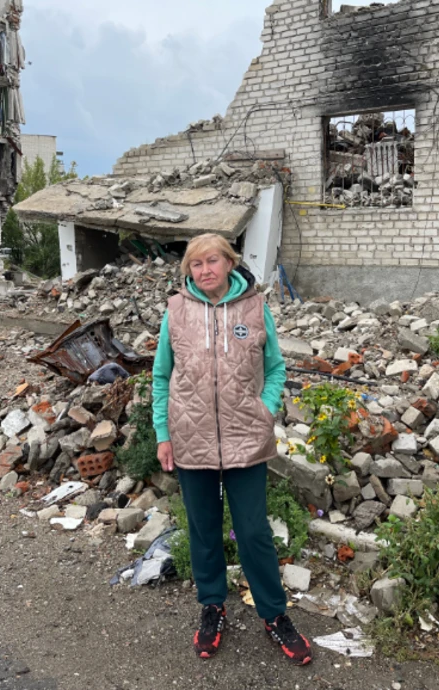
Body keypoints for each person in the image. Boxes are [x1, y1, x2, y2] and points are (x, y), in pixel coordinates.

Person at [152, 232, 312, 665]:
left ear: (229, 263)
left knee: (254, 532)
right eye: (196, 264)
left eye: (212, 262)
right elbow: (162, 377)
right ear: (189, 270)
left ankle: (275, 615)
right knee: (204, 531)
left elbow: (276, 366)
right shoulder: (176, 311)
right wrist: (163, 433)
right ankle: (212, 607)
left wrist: (266, 408)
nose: (204, 271)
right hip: (190, 437)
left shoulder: (255, 308)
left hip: (247, 436)